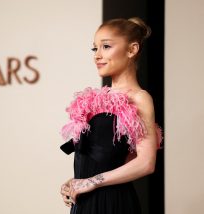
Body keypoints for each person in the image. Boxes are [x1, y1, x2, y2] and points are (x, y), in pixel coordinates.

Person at [59, 17, 162, 214]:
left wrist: (92, 182)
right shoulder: (94, 100)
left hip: (113, 203)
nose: (97, 55)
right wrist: (75, 182)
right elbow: (99, 159)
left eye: (106, 46)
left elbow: (146, 163)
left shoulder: (139, 98)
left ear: (132, 50)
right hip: (84, 203)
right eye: (94, 49)